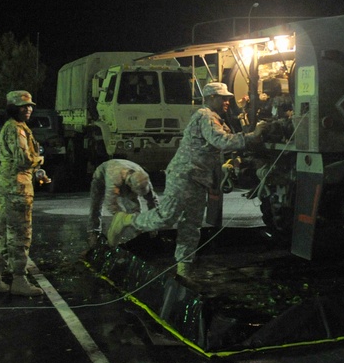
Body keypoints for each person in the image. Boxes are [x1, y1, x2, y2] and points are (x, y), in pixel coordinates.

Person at [107, 82, 266, 279]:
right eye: (222, 97)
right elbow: (221, 141)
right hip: (185, 175)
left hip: (198, 179)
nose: (227, 101)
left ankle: (184, 270)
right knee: (166, 217)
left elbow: (218, 146)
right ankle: (125, 220)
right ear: (209, 98)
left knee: (191, 225)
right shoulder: (205, 116)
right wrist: (253, 136)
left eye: (227, 97)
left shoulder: (216, 119)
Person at [0, 90, 51, 296]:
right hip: (16, 186)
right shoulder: (15, 129)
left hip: (11, 182)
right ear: (13, 108)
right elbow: (23, 160)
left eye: (30, 105)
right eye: (24, 106)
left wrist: (37, 171)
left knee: (5, 233)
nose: (29, 109)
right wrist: (39, 161)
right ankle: (19, 280)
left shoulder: (19, 127)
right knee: (20, 233)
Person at [86, 158, 160, 253]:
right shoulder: (114, 178)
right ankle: (93, 232)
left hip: (125, 176)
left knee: (134, 207)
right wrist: (122, 219)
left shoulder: (143, 178)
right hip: (102, 177)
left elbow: (152, 200)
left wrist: (154, 224)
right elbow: (111, 203)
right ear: (130, 185)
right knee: (95, 205)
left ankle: (138, 235)